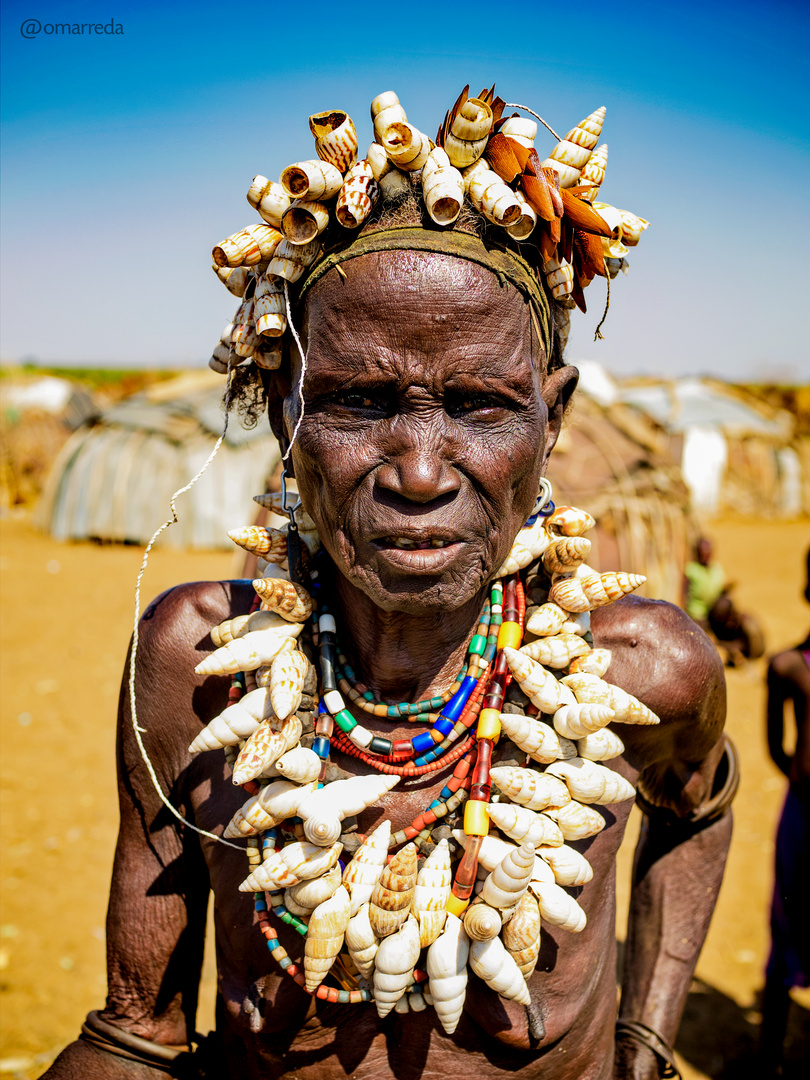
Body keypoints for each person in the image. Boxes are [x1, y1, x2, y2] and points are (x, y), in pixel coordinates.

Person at [42, 87, 735, 1080]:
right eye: (361, 403)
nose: (419, 471)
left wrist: (647, 1042)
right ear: (286, 416)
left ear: (554, 421)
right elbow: (134, 1032)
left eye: (479, 408)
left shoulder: (644, 672)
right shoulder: (192, 666)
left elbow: (700, 814)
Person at [760, 550, 810, 1075]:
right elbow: (777, 748)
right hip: (803, 815)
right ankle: (769, 1056)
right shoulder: (788, 667)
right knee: (789, 918)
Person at [683, 537, 764, 666]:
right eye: (702, 552)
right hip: (699, 613)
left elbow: (719, 588)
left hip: (716, 610)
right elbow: (684, 594)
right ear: (697, 553)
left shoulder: (716, 568)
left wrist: (727, 588)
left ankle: (737, 647)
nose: (705, 555)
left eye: (707, 552)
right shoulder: (691, 570)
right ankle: (727, 651)